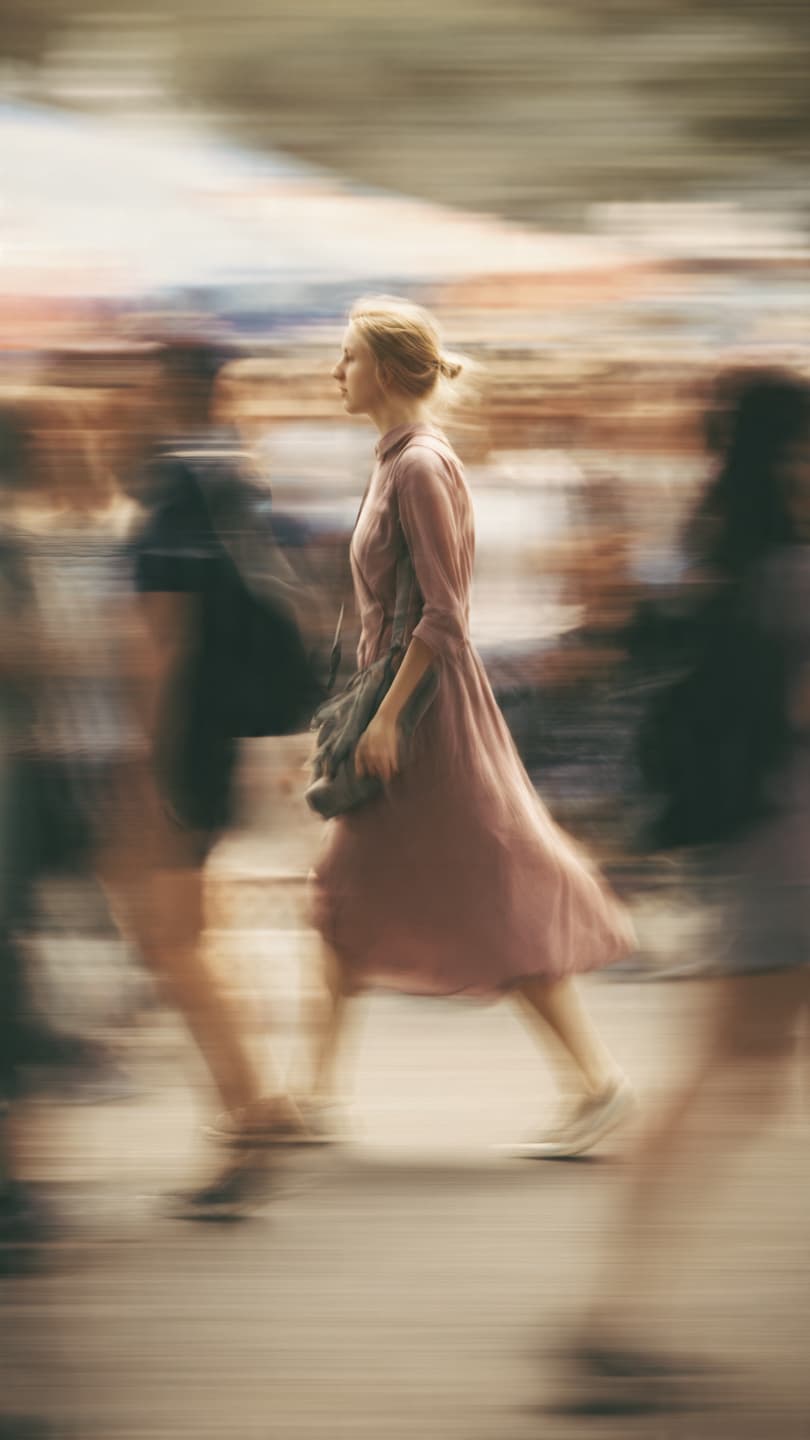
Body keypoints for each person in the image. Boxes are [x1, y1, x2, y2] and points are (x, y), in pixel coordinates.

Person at [306, 295, 635, 1155]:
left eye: (347, 356)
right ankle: (313, 1097)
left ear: (385, 367)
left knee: (485, 890)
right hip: (398, 712)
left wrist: (381, 720)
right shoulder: (395, 461)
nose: (335, 372)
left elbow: (446, 615)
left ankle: (597, 1084)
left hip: (427, 721)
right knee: (350, 898)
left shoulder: (418, 465)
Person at [562, 368, 810, 1413]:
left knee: (730, 1072)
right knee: (729, 1074)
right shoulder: (787, 564)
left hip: (758, 843)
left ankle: (614, 1315)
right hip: (792, 845)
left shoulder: (723, 541)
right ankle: (613, 1317)